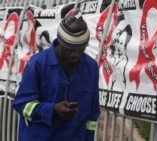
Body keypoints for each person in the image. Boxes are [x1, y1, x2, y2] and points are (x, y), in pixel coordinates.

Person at [13, 9, 100, 141]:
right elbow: (22, 104)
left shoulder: (91, 67)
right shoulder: (37, 64)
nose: (76, 54)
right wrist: (52, 109)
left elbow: (92, 113)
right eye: (71, 49)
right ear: (60, 42)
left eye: (81, 49)